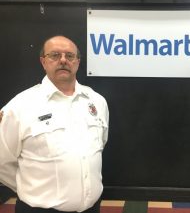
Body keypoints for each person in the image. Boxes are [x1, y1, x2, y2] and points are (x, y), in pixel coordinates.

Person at [0, 35, 109, 213]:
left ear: (78, 62)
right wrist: (30, 189)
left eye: (70, 56)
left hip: (91, 208)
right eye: (55, 55)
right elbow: (2, 161)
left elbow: (100, 144)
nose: (63, 60)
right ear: (43, 61)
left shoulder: (97, 101)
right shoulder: (20, 106)